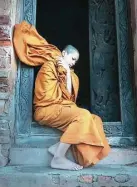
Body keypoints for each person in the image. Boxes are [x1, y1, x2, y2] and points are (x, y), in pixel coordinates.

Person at [13, 21, 110, 170]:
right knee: (83, 115)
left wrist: (68, 75)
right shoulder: (48, 67)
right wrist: (62, 73)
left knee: (94, 119)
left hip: (60, 108)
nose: (73, 64)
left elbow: (69, 99)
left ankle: (59, 147)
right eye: (72, 59)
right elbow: (46, 96)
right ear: (64, 54)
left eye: (75, 62)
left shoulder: (71, 74)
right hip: (46, 109)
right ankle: (58, 158)